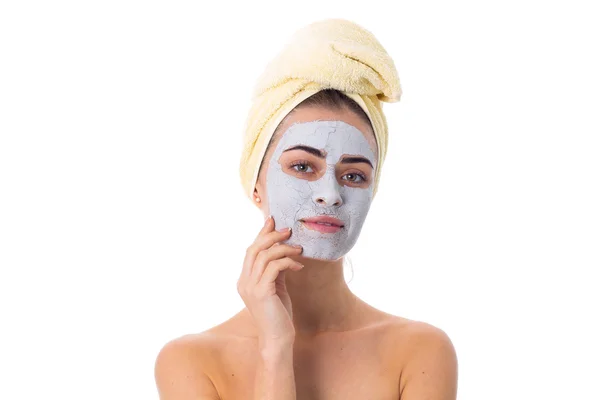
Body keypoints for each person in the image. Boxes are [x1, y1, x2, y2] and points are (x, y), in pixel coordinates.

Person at [155, 19, 458, 400]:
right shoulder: (191, 361)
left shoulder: (419, 351)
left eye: (354, 175)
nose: (329, 194)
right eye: (302, 166)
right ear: (255, 184)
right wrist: (275, 348)